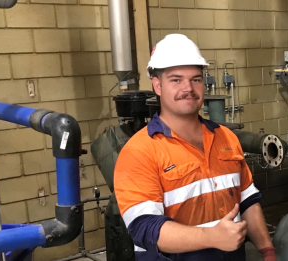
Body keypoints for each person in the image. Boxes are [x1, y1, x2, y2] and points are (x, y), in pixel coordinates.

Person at [114, 34, 276, 261]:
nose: (188, 88)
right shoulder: (139, 151)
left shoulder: (226, 138)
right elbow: (145, 228)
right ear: (158, 85)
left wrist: (266, 251)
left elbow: (248, 201)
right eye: (176, 80)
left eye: (196, 79)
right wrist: (212, 237)